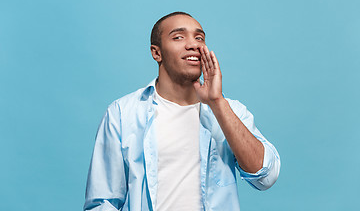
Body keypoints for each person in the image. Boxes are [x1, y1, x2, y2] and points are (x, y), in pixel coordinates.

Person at [84, 12, 280, 211]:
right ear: (156, 53)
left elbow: (265, 177)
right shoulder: (122, 113)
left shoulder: (229, 111)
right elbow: (102, 202)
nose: (193, 44)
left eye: (199, 38)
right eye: (178, 37)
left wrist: (217, 102)